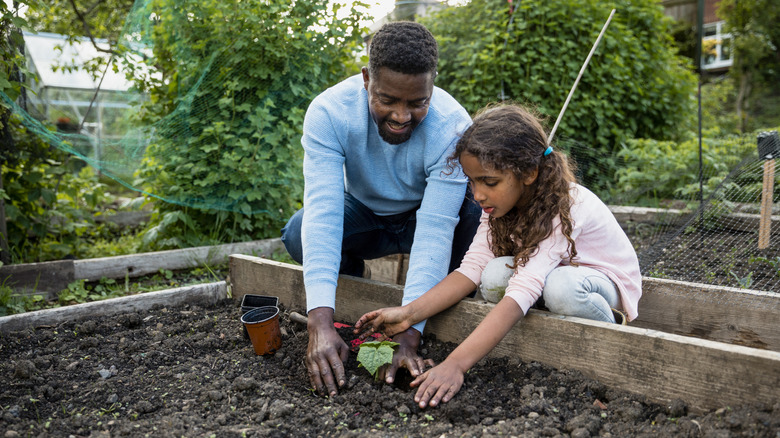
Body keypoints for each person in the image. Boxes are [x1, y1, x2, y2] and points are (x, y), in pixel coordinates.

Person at [354, 103, 642, 409]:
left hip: (602, 285)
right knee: (493, 274)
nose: (478, 194)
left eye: (489, 182)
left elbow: (525, 287)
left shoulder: (563, 205)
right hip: (550, 277)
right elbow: (471, 269)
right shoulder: (497, 209)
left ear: (529, 173)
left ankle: (613, 329)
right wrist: (408, 314)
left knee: (561, 288)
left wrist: (456, 364)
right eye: (473, 181)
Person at [280, 21, 481, 397]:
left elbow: (435, 230)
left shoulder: (452, 127)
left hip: (425, 215)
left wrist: (409, 337)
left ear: (431, 88)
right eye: (387, 99)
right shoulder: (329, 112)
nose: (402, 116)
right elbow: (324, 211)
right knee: (298, 231)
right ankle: (349, 293)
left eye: (417, 102)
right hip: (366, 214)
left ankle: (450, 307)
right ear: (366, 79)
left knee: (474, 210)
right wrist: (319, 322)